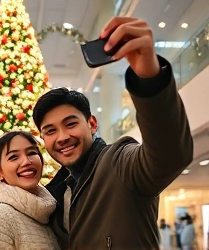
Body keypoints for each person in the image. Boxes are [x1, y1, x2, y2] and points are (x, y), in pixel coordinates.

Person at [32, 16, 193, 249]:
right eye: (50, 131)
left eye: (70, 123)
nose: (62, 137)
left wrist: (150, 78)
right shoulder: (52, 196)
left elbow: (170, 154)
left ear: (92, 124)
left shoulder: (120, 164)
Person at [0, 131, 60, 250]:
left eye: (32, 153)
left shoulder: (48, 210)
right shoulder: (0, 217)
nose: (26, 162)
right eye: (13, 157)